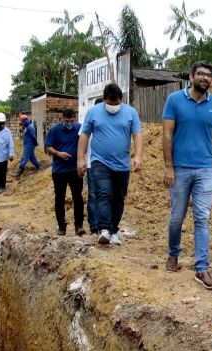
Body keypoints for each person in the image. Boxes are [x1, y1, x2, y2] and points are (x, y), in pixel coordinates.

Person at [162, 60, 212, 290]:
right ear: (191, 77)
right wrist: (168, 166)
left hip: (205, 170)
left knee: (202, 217)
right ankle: (173, 254)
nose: (205, 78)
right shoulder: (174, 101)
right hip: (179, 169)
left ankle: (202, 268)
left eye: (208, 75)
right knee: (177, 217)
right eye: (200, 74)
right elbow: (167, 135)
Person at [77, 83, 142, 246]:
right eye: (110, 104)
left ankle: (113, 231)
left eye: (116, 104)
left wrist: (138, 156)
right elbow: (84, 135)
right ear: (104, 100)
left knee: (118, 199)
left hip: (122, 164)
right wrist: (80, 158)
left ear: (121, 100)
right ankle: (104, 229)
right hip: (100, 161)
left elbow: (137, 134)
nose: (113, 107)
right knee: (103, 193)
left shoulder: (130, 113)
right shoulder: (93, 112)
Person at [45, 108, 84, 236]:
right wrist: (58, 153)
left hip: (75, 170)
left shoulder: (79, 128)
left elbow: (85, 143)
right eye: (67, 121)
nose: (69, 123)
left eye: (71, 121)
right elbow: (48, 147)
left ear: (75, 119)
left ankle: (79, 226)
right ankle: (61, 226)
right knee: (59, 199)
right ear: (62, 119)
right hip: (59, 171)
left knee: (77, 198)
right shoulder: (55, 130)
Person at [84, 97, 103, 235]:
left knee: (105, 196)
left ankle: (104, 226)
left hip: (107, 166)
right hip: (91, 165)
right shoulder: (89, 124)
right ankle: (94, 226)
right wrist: (82, 162)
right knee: (92, 196)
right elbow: (82, 143)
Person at [13, 113, 41, 178]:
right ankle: (38, 167)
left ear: (25, 121)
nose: (22, 124)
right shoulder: (27, 127)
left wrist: (36, 143)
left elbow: (33, 136)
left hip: (30, 145)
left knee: (24, 157)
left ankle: (19, 173)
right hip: (28, 145)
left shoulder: (30, 127)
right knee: (32, 157)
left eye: (22, 122)